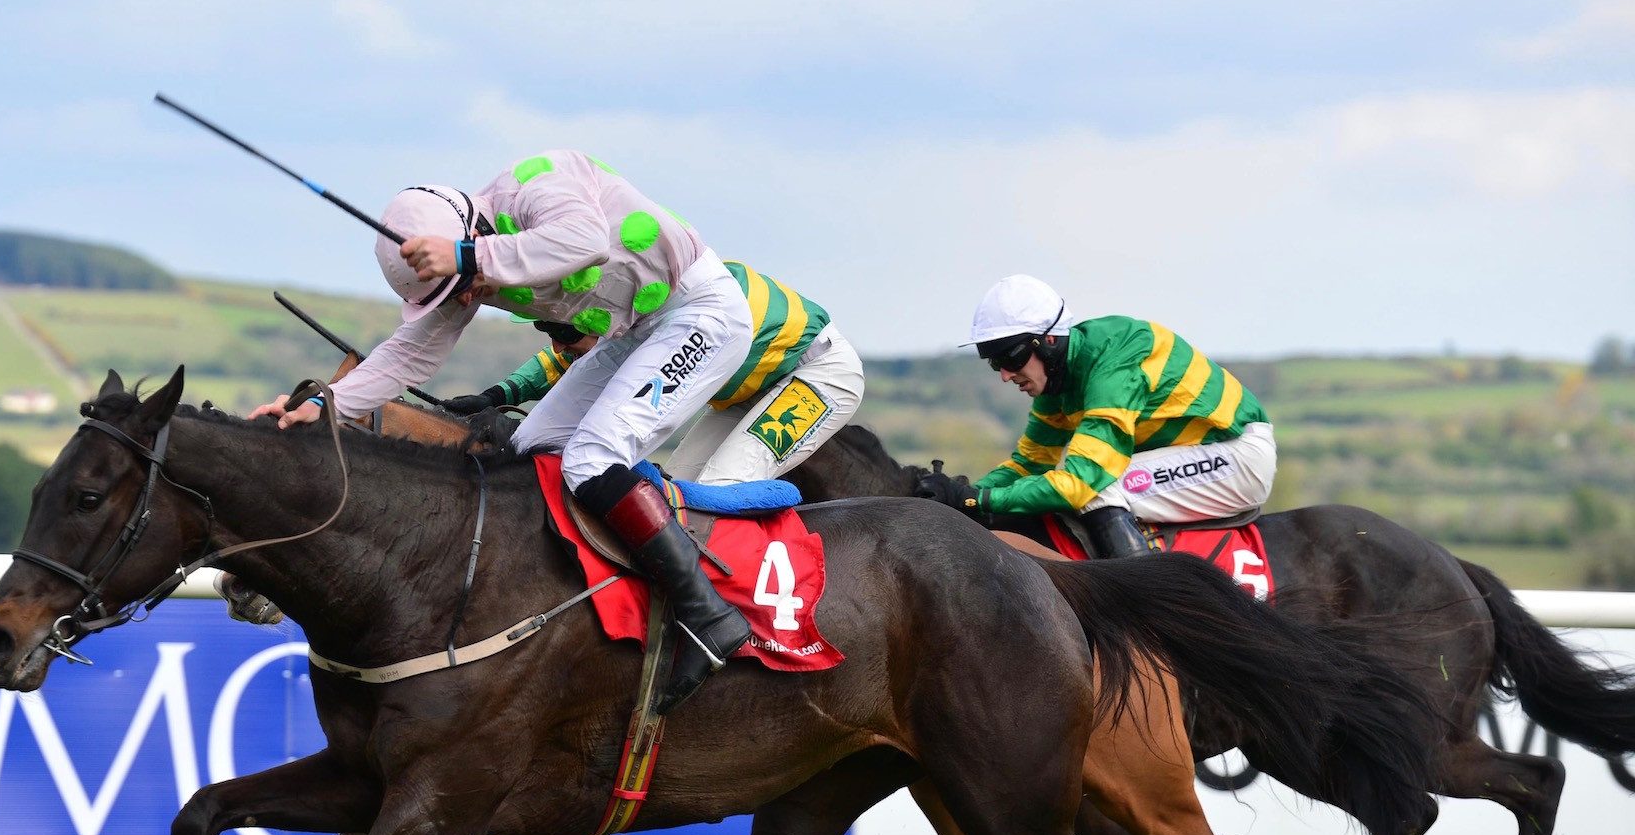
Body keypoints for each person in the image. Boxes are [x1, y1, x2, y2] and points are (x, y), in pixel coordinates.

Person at [247, 151, 757, 709]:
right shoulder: (467, 265)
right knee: (528, 452)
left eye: (461, 285)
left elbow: (584, 240)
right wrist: (321, 408)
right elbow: (408, 356)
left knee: (591, 458)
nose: (467, 298)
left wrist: (465, 258)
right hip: (635, 331)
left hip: (700, 314)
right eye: (450, 294)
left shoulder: (533, 185)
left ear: (474, 232)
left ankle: (707, 616)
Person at [923, 274, 1275, 558]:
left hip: (1238, 456)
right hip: (1198, 454)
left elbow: (1080, 483)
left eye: (1010, 357)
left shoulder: (1112, 362)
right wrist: (963, 493)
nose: (1004, 374)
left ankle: (1144, 609)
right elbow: (1029, 464)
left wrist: (978, 501)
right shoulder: (1057, 382)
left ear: (1049, 341)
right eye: (994, 362)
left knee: (1097, 491)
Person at [447, 261, 865, 486]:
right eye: (549, 331)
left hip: (819, 373)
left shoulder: (664, 305)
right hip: (743, 393)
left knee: (723, 484)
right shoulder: (635, 302)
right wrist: (498, 394)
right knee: (680, 492)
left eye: (563, 333)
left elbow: (589, 355)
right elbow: (580, 359)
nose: (557, 345)